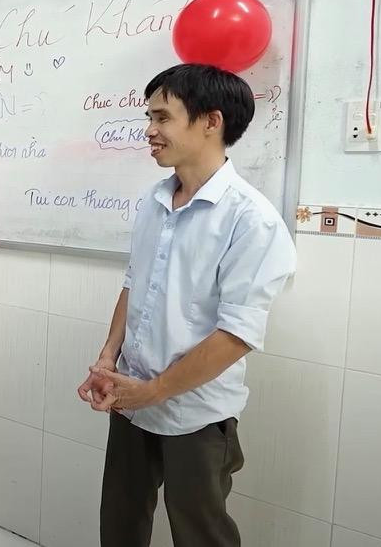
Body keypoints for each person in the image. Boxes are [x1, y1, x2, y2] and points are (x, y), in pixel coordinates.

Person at [76, 64, 296, 547]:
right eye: (149, 118)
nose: (149, 131)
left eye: (163, 118)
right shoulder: (155, 200)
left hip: (195, 413)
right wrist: (108, 357)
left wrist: (154, 391)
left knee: (200, 534)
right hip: (130, 398)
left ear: (211, 121)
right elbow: (134, 284)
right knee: (120, 521)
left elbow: (236, 335)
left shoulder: (251, 220)